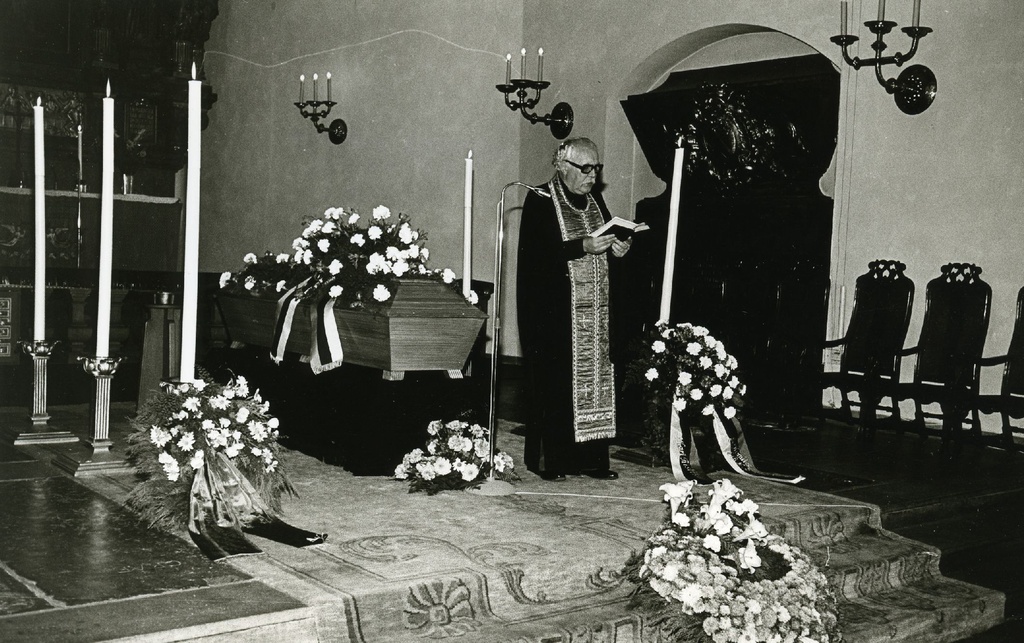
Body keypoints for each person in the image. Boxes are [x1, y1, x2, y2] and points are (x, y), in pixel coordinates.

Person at [516, 137, 632, 482]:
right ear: (562, 167)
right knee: (556, 386)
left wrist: (618, 249)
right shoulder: (540, 199)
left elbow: (606, 241)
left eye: (596, 168)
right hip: (554, 315)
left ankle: (592, 460)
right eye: (586, 168)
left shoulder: (595, 201)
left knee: (595, 382)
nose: (593, 176)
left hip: (594, 314)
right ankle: (550, 461)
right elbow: (536, 256)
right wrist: (583, 245)